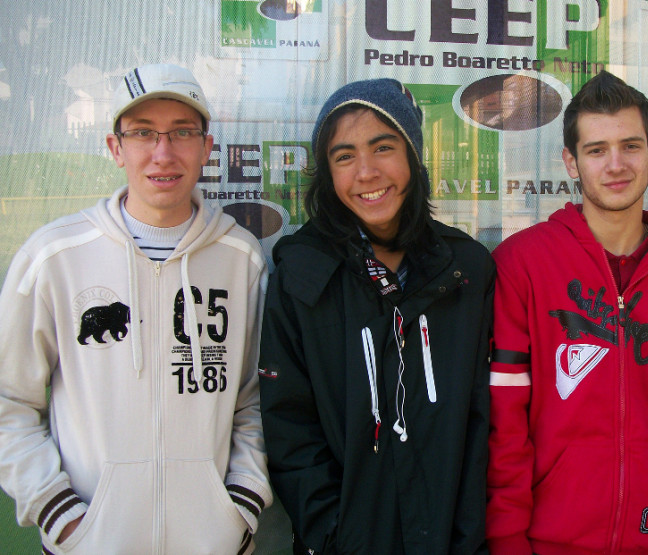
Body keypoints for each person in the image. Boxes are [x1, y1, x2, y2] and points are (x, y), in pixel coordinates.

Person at [0, 63, 272, 554]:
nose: (163, 153)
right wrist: (60, 515)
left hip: (213, 543)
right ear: (115, 147)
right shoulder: (55, 257)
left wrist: (240, 505)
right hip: (90, 543)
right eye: (143, 133)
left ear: (207, 148)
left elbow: (255, 400)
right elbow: (9, 402)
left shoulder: (241, 259)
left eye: (182, 132)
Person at [486, 70, 648, 555]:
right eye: (597, 150)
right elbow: (505, 424)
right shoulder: (523, 264)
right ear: (571, 162)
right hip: (550, 539)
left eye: (630, 146)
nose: (616, 165)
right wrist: (507, 539)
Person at [258, 78, 494, 554]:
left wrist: (470, 537)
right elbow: (289, 429)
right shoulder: (302, 274)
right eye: (344, 156)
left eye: (383, 148)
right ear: (327, 173)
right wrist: (334, 536)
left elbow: (483, 422)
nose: (366, 172)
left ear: (413, 156)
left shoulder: (466, 270)